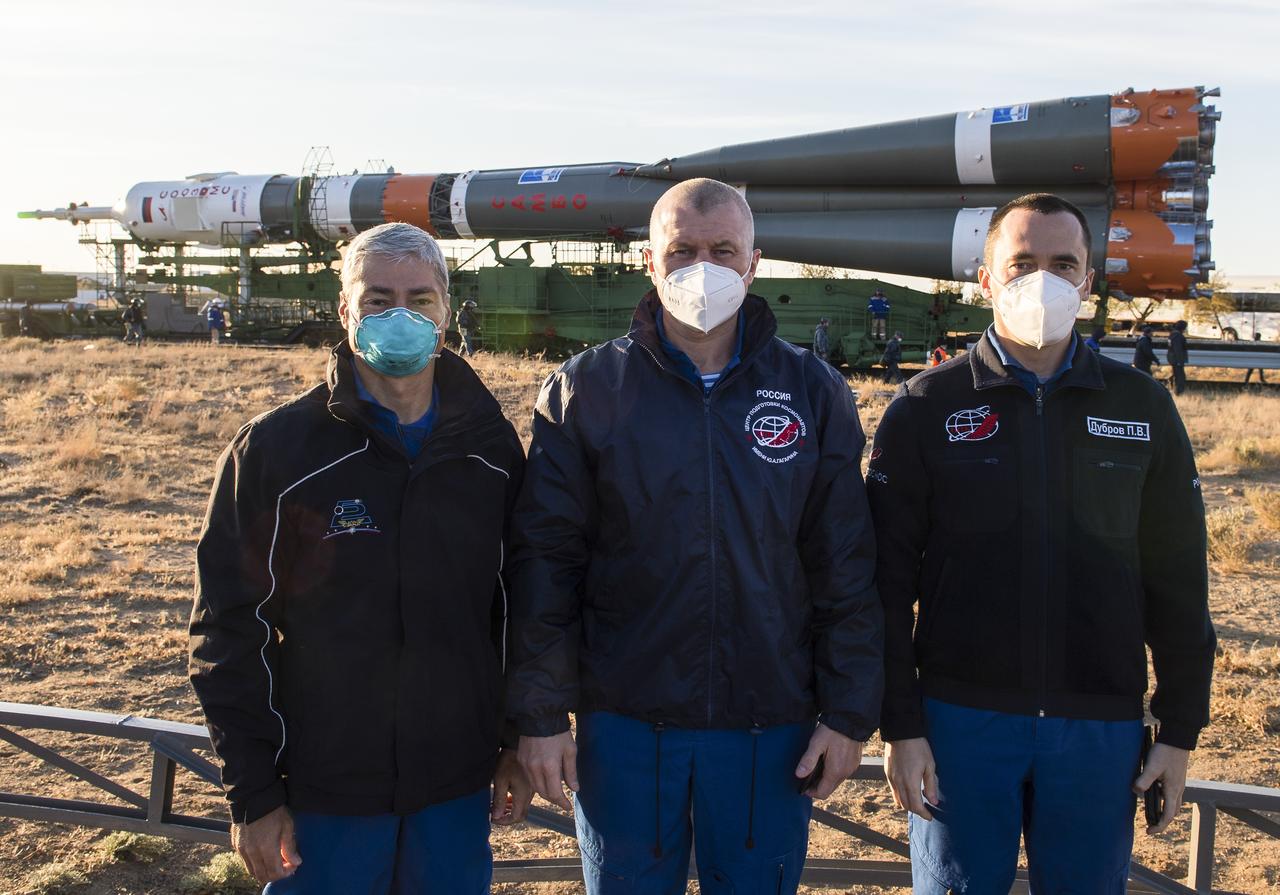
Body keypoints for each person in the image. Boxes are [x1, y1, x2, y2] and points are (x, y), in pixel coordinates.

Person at [508, 178, 884, 894]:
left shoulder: (814, 392)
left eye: (722, 249)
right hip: (624, 722)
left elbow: (844, 565)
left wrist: (847, 711)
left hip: (767, 725)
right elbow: (546, 563)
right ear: (650, 262)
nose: (702, 267)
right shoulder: (586, 389)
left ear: (753, 262)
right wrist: (540, 711)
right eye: (682, 250)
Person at [866, 193, 1215, 894]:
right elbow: (882, 588)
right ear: (986, 277)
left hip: (1099, 730)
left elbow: (1178, 579)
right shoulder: (924, 409)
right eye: (1022, 263)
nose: (1043, 281)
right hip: (960, 726)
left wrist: (1178, 728)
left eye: (1064, 265)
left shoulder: (1141, 406)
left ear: (1088, 283)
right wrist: (900, 727)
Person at [189, 222, 531, 892]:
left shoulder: (492, 450)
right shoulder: (276, 453)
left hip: (454, 792)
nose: (398, 315)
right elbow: (228, 630)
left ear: (445, 312)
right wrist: (254, 793)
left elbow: (519, 606)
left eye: (419, 298)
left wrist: (516, 740)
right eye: (377, 300)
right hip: (324, 795)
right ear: (344, 310)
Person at [1168, 319, 1189, 395]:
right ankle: (1178, 391)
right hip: (1177, 360)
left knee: (1176, 374)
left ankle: (1174, 388)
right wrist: (1180, 361)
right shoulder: (1178, 336)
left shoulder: (1173, 334)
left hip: (1173, 358)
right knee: (1180, 376)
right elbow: (1178, 349)